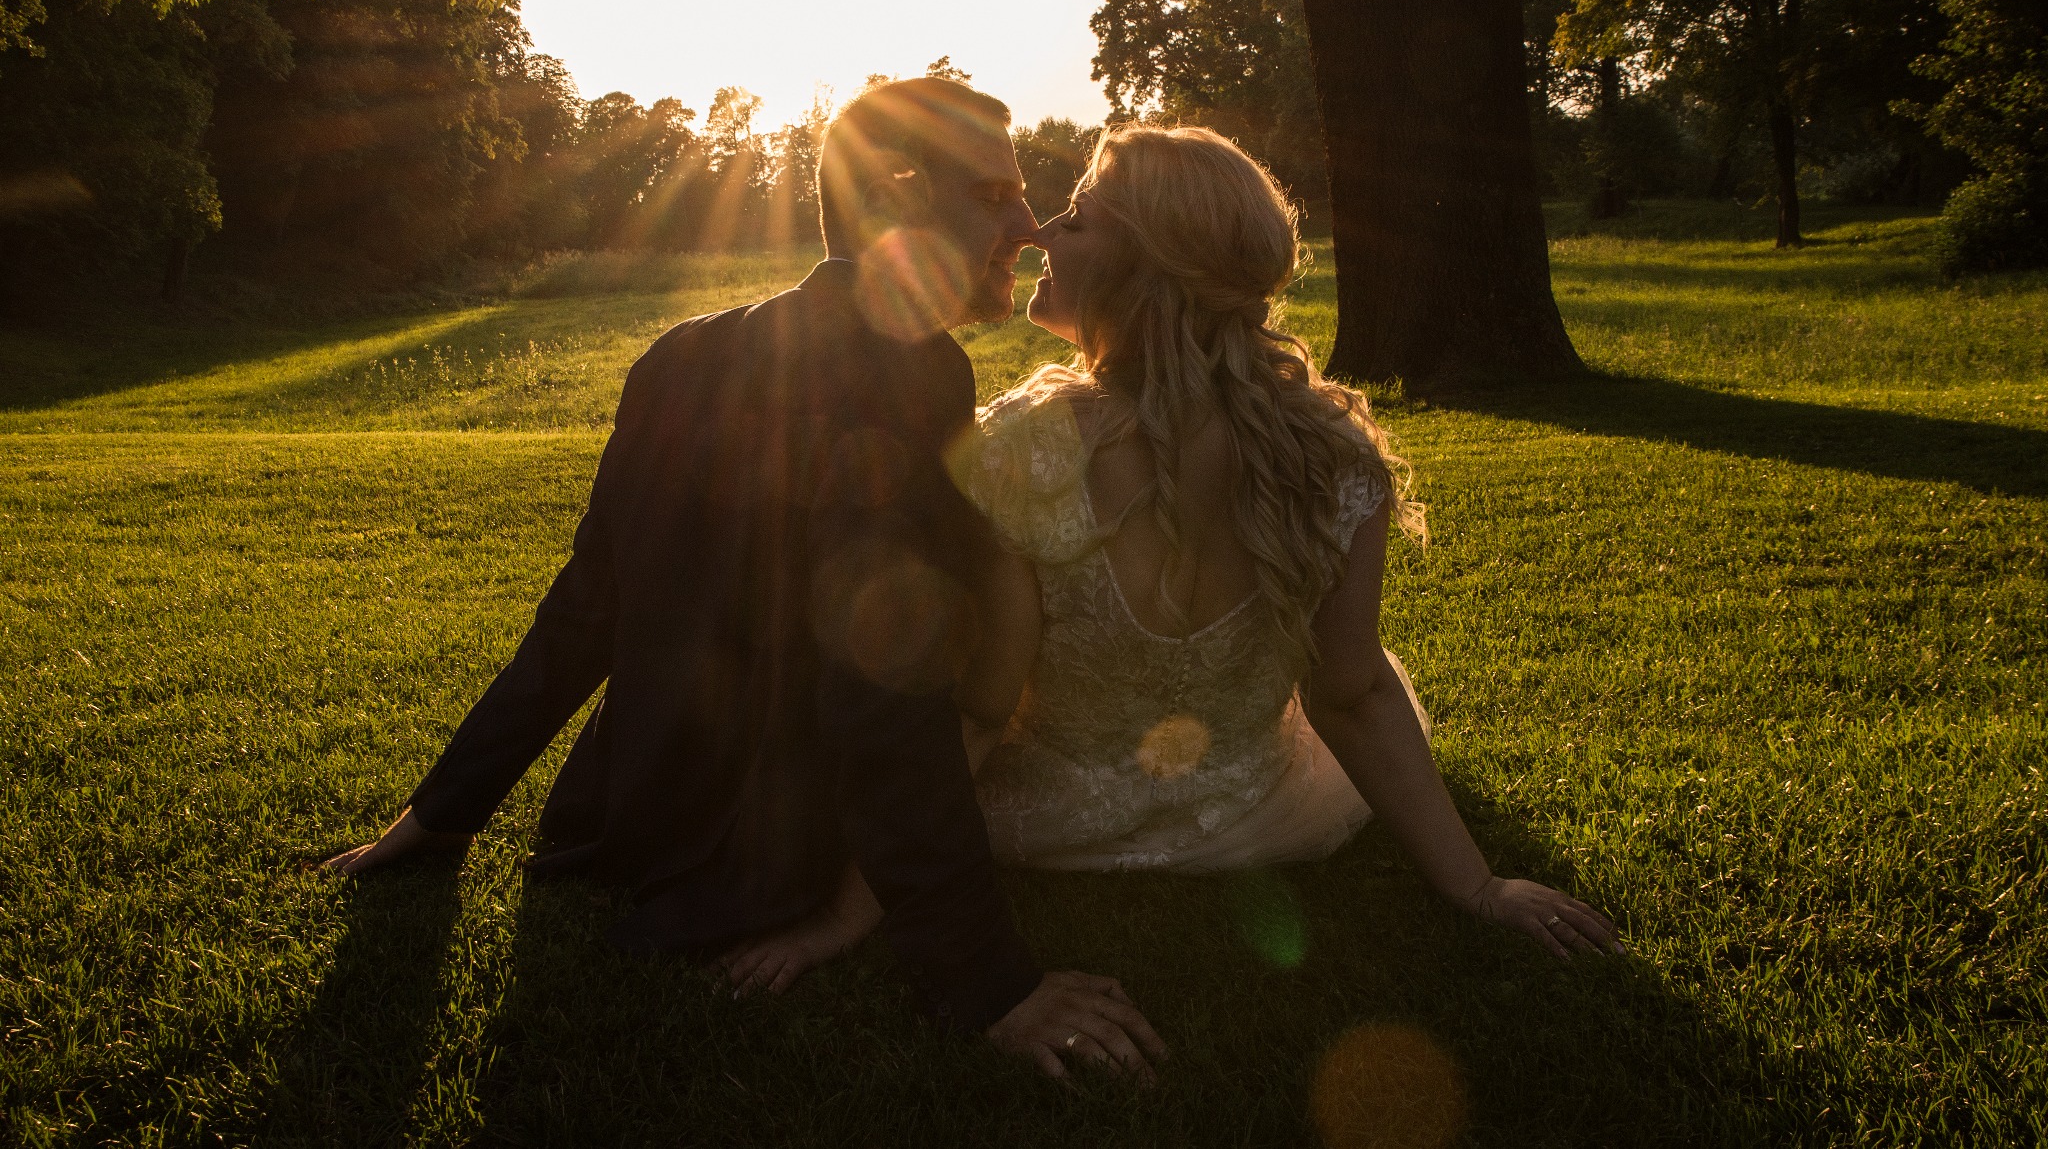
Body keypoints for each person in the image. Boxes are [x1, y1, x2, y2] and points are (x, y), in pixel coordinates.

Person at [323, 78, 1167, 1081]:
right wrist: (990, 979)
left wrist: (442, 810)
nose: (1029, 228)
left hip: (620, 821)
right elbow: (883, 684)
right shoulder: (917, 374)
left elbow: (586, 606)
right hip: (759, 864)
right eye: (994, 194)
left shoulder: (680, 353)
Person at [721, 125, 1619, 1001]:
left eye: (1076, 217)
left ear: (1141, 266)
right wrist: (1477, 885)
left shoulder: (1023, 447)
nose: (1040, 232)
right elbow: (1354, 693)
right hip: (1251, 815)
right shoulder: (1333, 457)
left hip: (1043, 826)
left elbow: (981, 716)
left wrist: (847, 914)